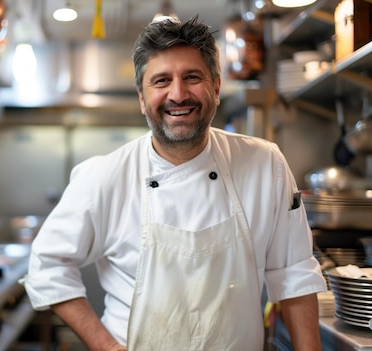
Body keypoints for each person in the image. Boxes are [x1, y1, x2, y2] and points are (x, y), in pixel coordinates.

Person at [21, 15, 326, 351]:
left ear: (216, 87)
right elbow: (48, 265)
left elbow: (294, 273)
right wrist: (106, 347)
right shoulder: (104, 176)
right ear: (141, 97)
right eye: (161, 81)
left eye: (192, 77)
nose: (178, 94)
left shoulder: (265, 165)